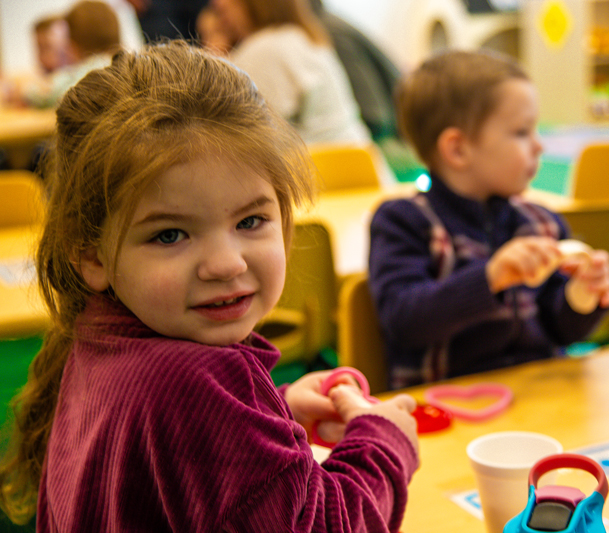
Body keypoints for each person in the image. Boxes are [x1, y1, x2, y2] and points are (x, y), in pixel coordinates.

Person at [0, 41, 418, 531]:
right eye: (169, 235)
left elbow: (178, 461)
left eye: (251, 221)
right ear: (92, 255)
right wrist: (384, 444)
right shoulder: (190, 382)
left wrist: (269, 412)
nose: (224, 264)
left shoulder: (100, 337)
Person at [369, 50, 609, 390]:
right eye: (521, 132)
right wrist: (489, 278)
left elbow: (561, 330)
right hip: (447, 406)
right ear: (457, 149)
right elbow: (404, 321)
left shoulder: (542, 224)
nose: (539, 146)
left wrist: (582, 296)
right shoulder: (404, 222)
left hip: (538, 395)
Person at [212, 0, 372, 146]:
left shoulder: (266, 48)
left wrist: (214, 56)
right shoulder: (303, 37)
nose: (218, 4)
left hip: (324, 167)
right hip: (360, 159)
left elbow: (242, 135)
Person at [23, 1, 121, 108]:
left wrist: (27, 91)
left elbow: (51, 97)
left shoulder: (94, 67)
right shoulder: (120, 63)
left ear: (73, 44)